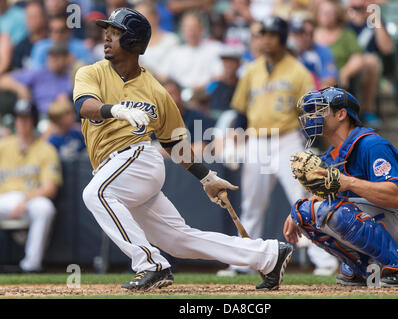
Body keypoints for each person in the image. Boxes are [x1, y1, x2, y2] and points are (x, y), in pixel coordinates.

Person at [73, 7, 293, 291]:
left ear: (134, 43)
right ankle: (268, 255)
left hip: (138, 158)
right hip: (115, 169)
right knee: (178, 239)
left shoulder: (155, 90)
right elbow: (84, 106)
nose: (107, 37)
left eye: (115, 33)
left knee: (96, 193)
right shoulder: (92, 72)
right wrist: (114, 109)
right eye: (108, 31)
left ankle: (150, 265)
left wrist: (206, 177)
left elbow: (174, 142)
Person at [217, 16, 337, 276]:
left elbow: (311, 112)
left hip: (287, 140)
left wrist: (310, 144)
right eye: (263, 35)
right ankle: (244, 261)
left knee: (303, 201)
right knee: (252, 205)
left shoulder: (298, 70)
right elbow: (240, 110)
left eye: (271, 35)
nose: (265, 40)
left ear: (282, 38)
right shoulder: (252, 69)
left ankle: (325, 261)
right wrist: (236, 136)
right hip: (257, 140)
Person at [284, 87, 398, 287]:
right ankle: (362, 267)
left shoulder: (371, 144)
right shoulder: (329, 157)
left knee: (334, 208)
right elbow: (318, 202)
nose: (312, 116)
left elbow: (397, 197)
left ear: (341, 114)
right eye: (311, 111)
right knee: (303, 211)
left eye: (320, 110)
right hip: (385, 219)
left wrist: (347, 182)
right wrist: (298, 212)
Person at [0, 100, 62, 273]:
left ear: (34, 121)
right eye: (19, 118)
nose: (21, 123)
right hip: (4, 200)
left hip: (29, 200)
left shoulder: (46, 149)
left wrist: (25, 201)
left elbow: (50, 188)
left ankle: (31, 265)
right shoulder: (3, 145)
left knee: (45, 208)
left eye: (26, 119)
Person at [346, 0, 393, 128]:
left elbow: (387, 48)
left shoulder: (375, 19)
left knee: (372, 61)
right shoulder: (343, 18)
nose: (361, 6)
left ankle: (367, 111)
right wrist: (346, 17)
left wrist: (376, 20)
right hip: (346, 62)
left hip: (368, 66)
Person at [0, 42, 74, 115]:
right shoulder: (39, 74)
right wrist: (20, 88)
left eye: (57, 57)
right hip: (35, 116)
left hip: (58, 117)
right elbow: (3, 79)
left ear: (66, 58)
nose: (53, 60)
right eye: (51, 56)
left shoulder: (71, 77)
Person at [158, 11, 223, 90]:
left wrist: (203, 87)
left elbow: (220, 74)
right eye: (187, 27)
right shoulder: (174, 52)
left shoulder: (215, 48)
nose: (191, 31)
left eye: (194, 27)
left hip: (208, 93)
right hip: (181, 95)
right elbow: (162, 75)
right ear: (182, 30)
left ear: (202, 29)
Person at [313, 0, 364, 94]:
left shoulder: (346, 34)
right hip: (312, 79)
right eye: (323, 12)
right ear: (317, 14)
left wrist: (345, 72)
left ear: (337, 15)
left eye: (330, 13)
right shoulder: (309, 34)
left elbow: (358, 58)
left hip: (336, 81)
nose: (326, 15)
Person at [29, 14, 93, 69]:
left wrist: (75, 63)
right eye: (54, 31)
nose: (58, 35)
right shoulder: (40, 47)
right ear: (49, 33)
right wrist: (50, 67)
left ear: (69, 32)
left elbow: (90, 68)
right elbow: (34, 71)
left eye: (62, 31)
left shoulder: (81, 46)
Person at [289, 16, 338, 89]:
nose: (307, 37)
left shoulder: (322, 51)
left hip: (313, 95)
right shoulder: (286, 53)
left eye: (311, 34)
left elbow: (329, 81)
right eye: (302, 33)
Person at [135, 1, 180, 78]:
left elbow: (173, 68)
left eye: (143, 16)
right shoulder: (132, 42)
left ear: (155, 16)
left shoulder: (171, 40)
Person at [10, 0, 48, 70]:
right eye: (29, 17)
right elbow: (15, 73)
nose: (31, 21)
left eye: (35, 17)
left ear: (44, 18)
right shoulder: (21, 47)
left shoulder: (53, 42)